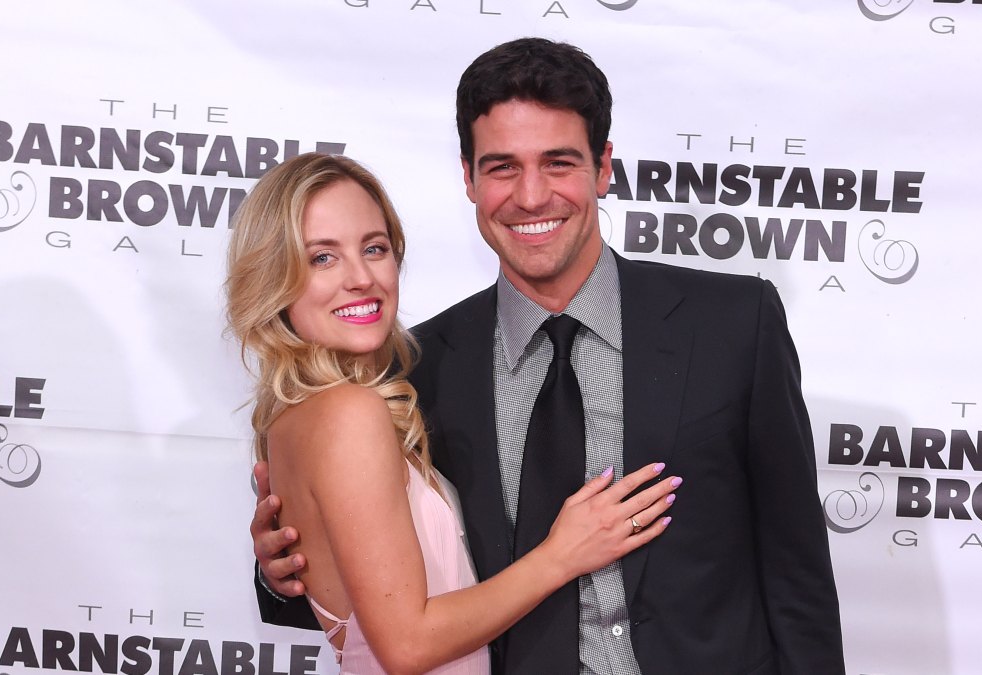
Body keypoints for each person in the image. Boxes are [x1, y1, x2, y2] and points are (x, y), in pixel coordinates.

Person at [253, 38, 846, 674]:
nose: (531, 196)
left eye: (559, 163)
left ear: (603, 168)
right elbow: (377, 599)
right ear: (469, 177)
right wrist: (279, 569)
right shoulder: (413, 369)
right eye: (502, 167)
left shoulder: (734, 324)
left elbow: (797, 572)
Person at [227, 152, 680, 675]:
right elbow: (406, 645)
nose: (361, 278)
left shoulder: (297, 414)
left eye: (374, 248)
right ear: (273, 277)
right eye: (321, 258)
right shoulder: (351, 412)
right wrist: (563, 554)